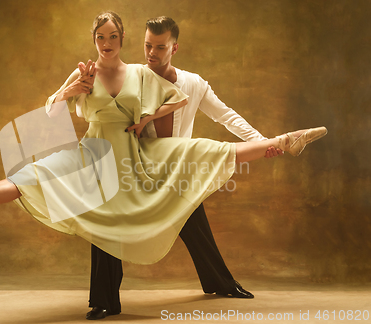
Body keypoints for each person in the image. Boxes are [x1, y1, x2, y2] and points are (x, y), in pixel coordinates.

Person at [0, 11, 327, 317]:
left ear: (122, 39)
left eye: (113, 37)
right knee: (33, 178)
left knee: (209, 150)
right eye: (100, 38)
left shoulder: (143, 76)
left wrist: (146, 118)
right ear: (95, 40)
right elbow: (50, 116)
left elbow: (179, 97)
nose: (107, 44)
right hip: (94, 156)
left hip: (140, 159)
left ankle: (282, 143)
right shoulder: (84, 74)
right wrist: (67, 91)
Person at [85, 15, 285, 320]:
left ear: (174, 48)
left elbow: (226, 116)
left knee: (194, 223)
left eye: (160, 47)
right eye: (147, 45)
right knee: (108, 223)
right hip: (137, 167)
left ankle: (221, 283)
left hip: (178, 169)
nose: (151, 53)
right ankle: (103, 300)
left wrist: (262, 142)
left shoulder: (193, 83)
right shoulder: (132, 78)